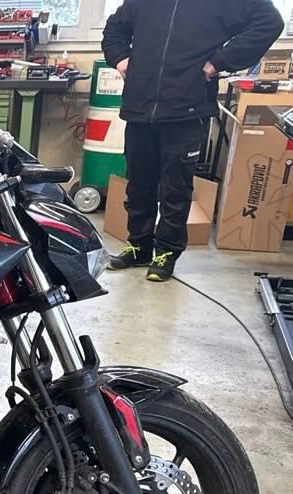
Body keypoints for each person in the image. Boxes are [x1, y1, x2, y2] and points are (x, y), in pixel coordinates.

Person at [102, 0, 284, 282]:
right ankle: (139, 246)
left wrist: (219, 62)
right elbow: (115, 28)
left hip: (187, 107)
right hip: (140, 105)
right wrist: (120, 58)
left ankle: (166, 252)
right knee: (139, 184)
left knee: (175, 188)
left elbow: (269, 22)